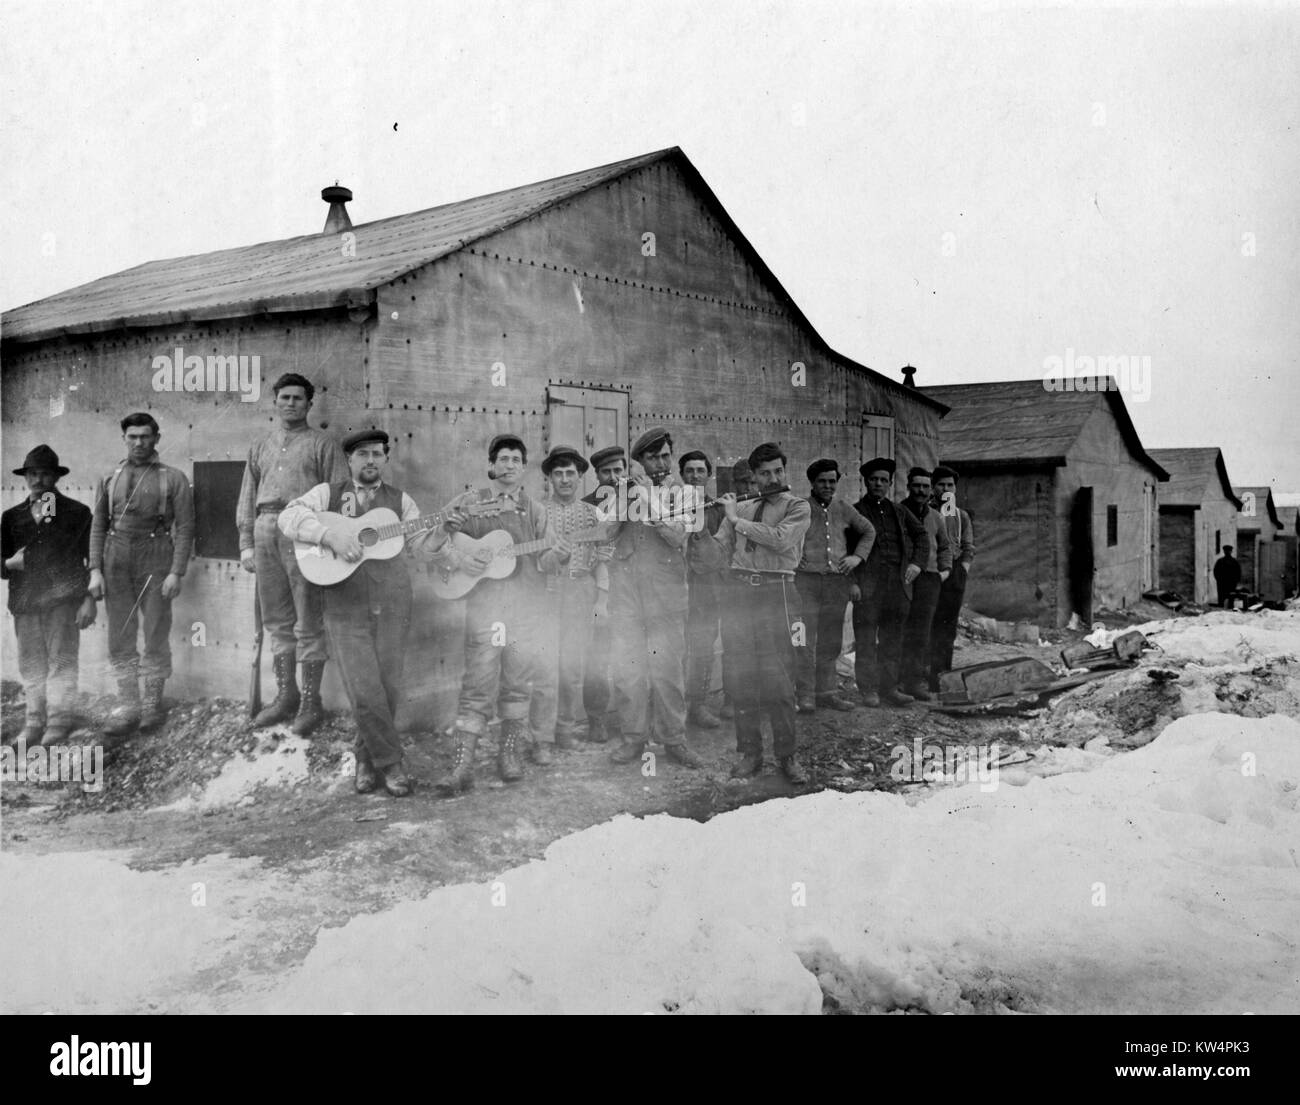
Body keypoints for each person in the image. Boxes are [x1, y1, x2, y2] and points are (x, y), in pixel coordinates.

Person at [278, 430, 434, 796]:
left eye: (377, 454)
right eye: (362, 454)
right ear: (349, 460)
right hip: (344, 602)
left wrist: (442, 533)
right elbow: (289, 517)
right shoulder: (327, 494)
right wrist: (329, 536)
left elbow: (421, 546)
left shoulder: (401, 502)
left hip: (393, 600)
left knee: (389, 684)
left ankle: (365, 758)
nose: (370, 461)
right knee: (364, 686)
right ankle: (391, 764)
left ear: (385, 459)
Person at [432, 434, 568, 793]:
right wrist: (461, 559)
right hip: (486, 612)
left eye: (516, 460)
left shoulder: (535, 511)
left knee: (517, 684)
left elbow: (546, 561)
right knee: (477, 686)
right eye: (503, 459)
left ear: (524, 469)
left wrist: (561, 553)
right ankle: (462, 766)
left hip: (524, 610)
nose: (509, 465)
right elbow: (433, 540)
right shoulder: (470, 502)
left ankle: (509, 756)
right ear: (491, 466)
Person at [237, 373, 349, 735]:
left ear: (309, 404)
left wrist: (329, 538)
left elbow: (339, 495)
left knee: (307, 620)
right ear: (274, 401)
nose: (290, 404)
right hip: (266, 528)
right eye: (284, 397)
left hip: (305, 531)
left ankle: (310, 704)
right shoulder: (259, 446)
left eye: (298, 398)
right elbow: (246, 496)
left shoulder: (323, 444)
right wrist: (246, 543)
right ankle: (286, 696)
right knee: (276, 620)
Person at [88, 413, 195, 736]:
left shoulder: (174, 478)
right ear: (124, 439)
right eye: (132, 437)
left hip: (156, 556)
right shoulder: (109, 477)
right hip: (116, 557)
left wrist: (176, 571)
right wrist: (95, 569)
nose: (138, 443)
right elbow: (98, 526)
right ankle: (128, 704)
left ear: (156, 439)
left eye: (145, 436)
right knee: (119, 633)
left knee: (155, 630)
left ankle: (151, 704)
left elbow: (186, 528)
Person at [712, 442, 812, 782]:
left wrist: (735, 520)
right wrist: (690, 525)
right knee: (742, 677)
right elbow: (718, 548)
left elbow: (781, 540)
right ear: (753, 476)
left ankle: (787, 757)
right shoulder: (741, 506)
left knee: (779, 679)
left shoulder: (797, 506)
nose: (773, 478)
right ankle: (750, 753)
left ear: (785, 471)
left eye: (778, 471)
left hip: (778, 591)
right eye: (765, 473)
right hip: (740, 592)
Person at [606, 427, 704, 769]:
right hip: (626, 593)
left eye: (665, 456)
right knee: (628, 669)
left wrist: (649, 499)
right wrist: (624, 494)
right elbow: (604, 532)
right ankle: (633, 737)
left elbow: (677, 537)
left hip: (666, 593)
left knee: (667, 670)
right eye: (652, 457)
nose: (660, 463)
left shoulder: (686, 493)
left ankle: (673, 739)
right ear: (640, 462)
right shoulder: (624, 490)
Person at [1, 446, 97, 746]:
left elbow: (91, 561)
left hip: (62, 601)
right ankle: (34, 722)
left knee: (62, 661)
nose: (38, 480)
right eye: (33, 474)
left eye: (45, 474)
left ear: (56, 477)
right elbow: (2, 565)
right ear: (25, 477)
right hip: (26, 602)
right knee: (31, 664)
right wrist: (9, 564)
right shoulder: (11, 517)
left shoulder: (77, 514)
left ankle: (59, 721)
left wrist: (89, 599)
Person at [530, 445, 612, 759]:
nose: (564, 480)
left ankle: (564, 730)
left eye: (570, 474)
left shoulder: (593, 514)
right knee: (546, 665)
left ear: (580, 477)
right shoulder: (538, 512)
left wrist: (601, 601)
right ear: (549, 477)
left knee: (572, 666)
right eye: (558, 474)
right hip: (546, 595)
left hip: (580, 592)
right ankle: (541, 739)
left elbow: (603, 558)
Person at [794, 459, 874, 713]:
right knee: (804, 640)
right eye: (822, 482)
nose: (828, 486)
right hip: (805, 582)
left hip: (835, 584)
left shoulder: (844, 508)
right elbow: (783, 534)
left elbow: (869, 531)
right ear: (812, 483)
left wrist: (856, 558)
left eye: (832, 481)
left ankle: (826, 693)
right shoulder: (800, 507)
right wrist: (795, 556)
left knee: (831, 640)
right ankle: (805, 694)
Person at [851, 457, 929, 708]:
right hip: (868, 587)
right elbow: (843, 550)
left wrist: (916, 564)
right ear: (866, 482)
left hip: (897, 586)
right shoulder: (854, 511)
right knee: (865, 640)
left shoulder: (899, 511)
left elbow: (922, 537)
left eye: (883, 480)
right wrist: (852, 582)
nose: (878, 484)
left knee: (892, 639)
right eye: (873, 479)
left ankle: (889, 688)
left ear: (890, 483)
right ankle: (868, 690)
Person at [580, 445, 627, 744]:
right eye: (606, 472)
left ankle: (627, 717)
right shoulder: (588, 507)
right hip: (601, 587)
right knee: (597, 655)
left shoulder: (639, 501)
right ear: (597, 475)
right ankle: (596, 717)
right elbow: (595, 553)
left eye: (618, 470)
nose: (613, 477)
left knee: (630, 655)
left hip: (634, 588)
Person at [679, 449, 727, 728]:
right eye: (689, 471)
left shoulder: (718, 509)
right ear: (681, 475)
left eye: (700, 470)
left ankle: (697, 705)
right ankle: (670, 708)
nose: (695, 475)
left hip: (706, 590)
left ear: (709, 475)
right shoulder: (669, 506)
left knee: (702, 648)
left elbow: (722, 551)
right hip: (672, 588)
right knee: (671, 648)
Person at [897, 467, 952, 701]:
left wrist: (944, 571)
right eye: (916, 485)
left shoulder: (937, 517)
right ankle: (894, 681)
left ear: (930, 490)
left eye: (925, 486)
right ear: (908, 486)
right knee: (899, 628)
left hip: (929, 579)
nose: (921, 491)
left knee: (921, 633)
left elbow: (946, 546)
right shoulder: (897, 512)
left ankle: (913, 682)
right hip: (902, 578)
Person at [928, 466, 976, 689]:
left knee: (947, 627)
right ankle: (921, 676)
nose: (945, 489)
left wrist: (962, 569)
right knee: (926, 624)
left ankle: (942, 675)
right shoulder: (925, 511)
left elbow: (968, 547)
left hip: (953, 575)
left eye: (950, 485)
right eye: (941, 485)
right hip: (930, 571)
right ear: (933, 487)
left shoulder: (961, 516)